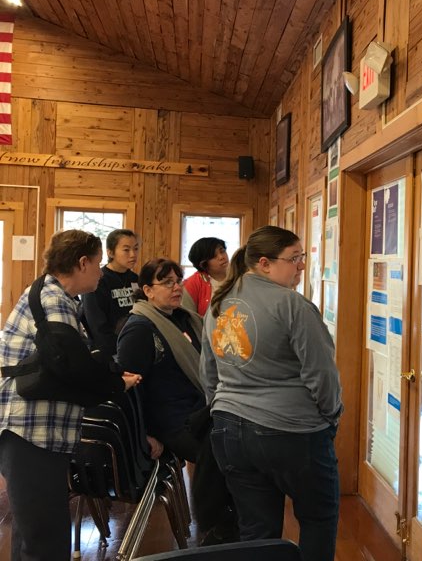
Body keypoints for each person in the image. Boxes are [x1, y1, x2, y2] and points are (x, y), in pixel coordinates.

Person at [202, 226, 343, 561]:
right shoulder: (293, 305)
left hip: (228, 429)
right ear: (264, 263)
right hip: (292, 431)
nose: (301, 266)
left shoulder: (219, 304)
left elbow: (208, 373)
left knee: (255, 532)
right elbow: (322, 374)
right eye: (294, 259)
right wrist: (331, 417)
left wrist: (221, 409)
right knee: (318, 519)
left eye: (301, 257)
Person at [0, 229, 141, 561]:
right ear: (82, 263)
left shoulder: (53, 295)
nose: (100, 271)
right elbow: (74, 367)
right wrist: (116, 384)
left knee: (33, 533)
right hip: (29, 433)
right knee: (46, 540)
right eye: (97, 264)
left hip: (32, 432)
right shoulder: (53, 301)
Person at [116, 257, 238, 545]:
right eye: (167, 282)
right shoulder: (139, 328)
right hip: (169, 421)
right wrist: (144, 433)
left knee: (237, 437)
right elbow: (128, 389)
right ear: (147, 290)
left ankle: (236, 522)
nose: (176, 288)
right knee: (222, 449)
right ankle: (218, 526)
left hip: (197, 410)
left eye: (178, 281)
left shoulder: (185, 318)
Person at [82, 228, 139, 356]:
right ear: (110, 253)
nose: (133, 254)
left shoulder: (137, 279)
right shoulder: (98, 280)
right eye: (126, 250)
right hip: (110, 351)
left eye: (135, 248)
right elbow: (97, 326)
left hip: (134, 345)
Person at [182, 237, 229, 316]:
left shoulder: (240, 276)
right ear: (203, 264)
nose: (221, 257)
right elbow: (188, 319)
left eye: (222, 251)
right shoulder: (192, 284)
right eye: (214, 256)